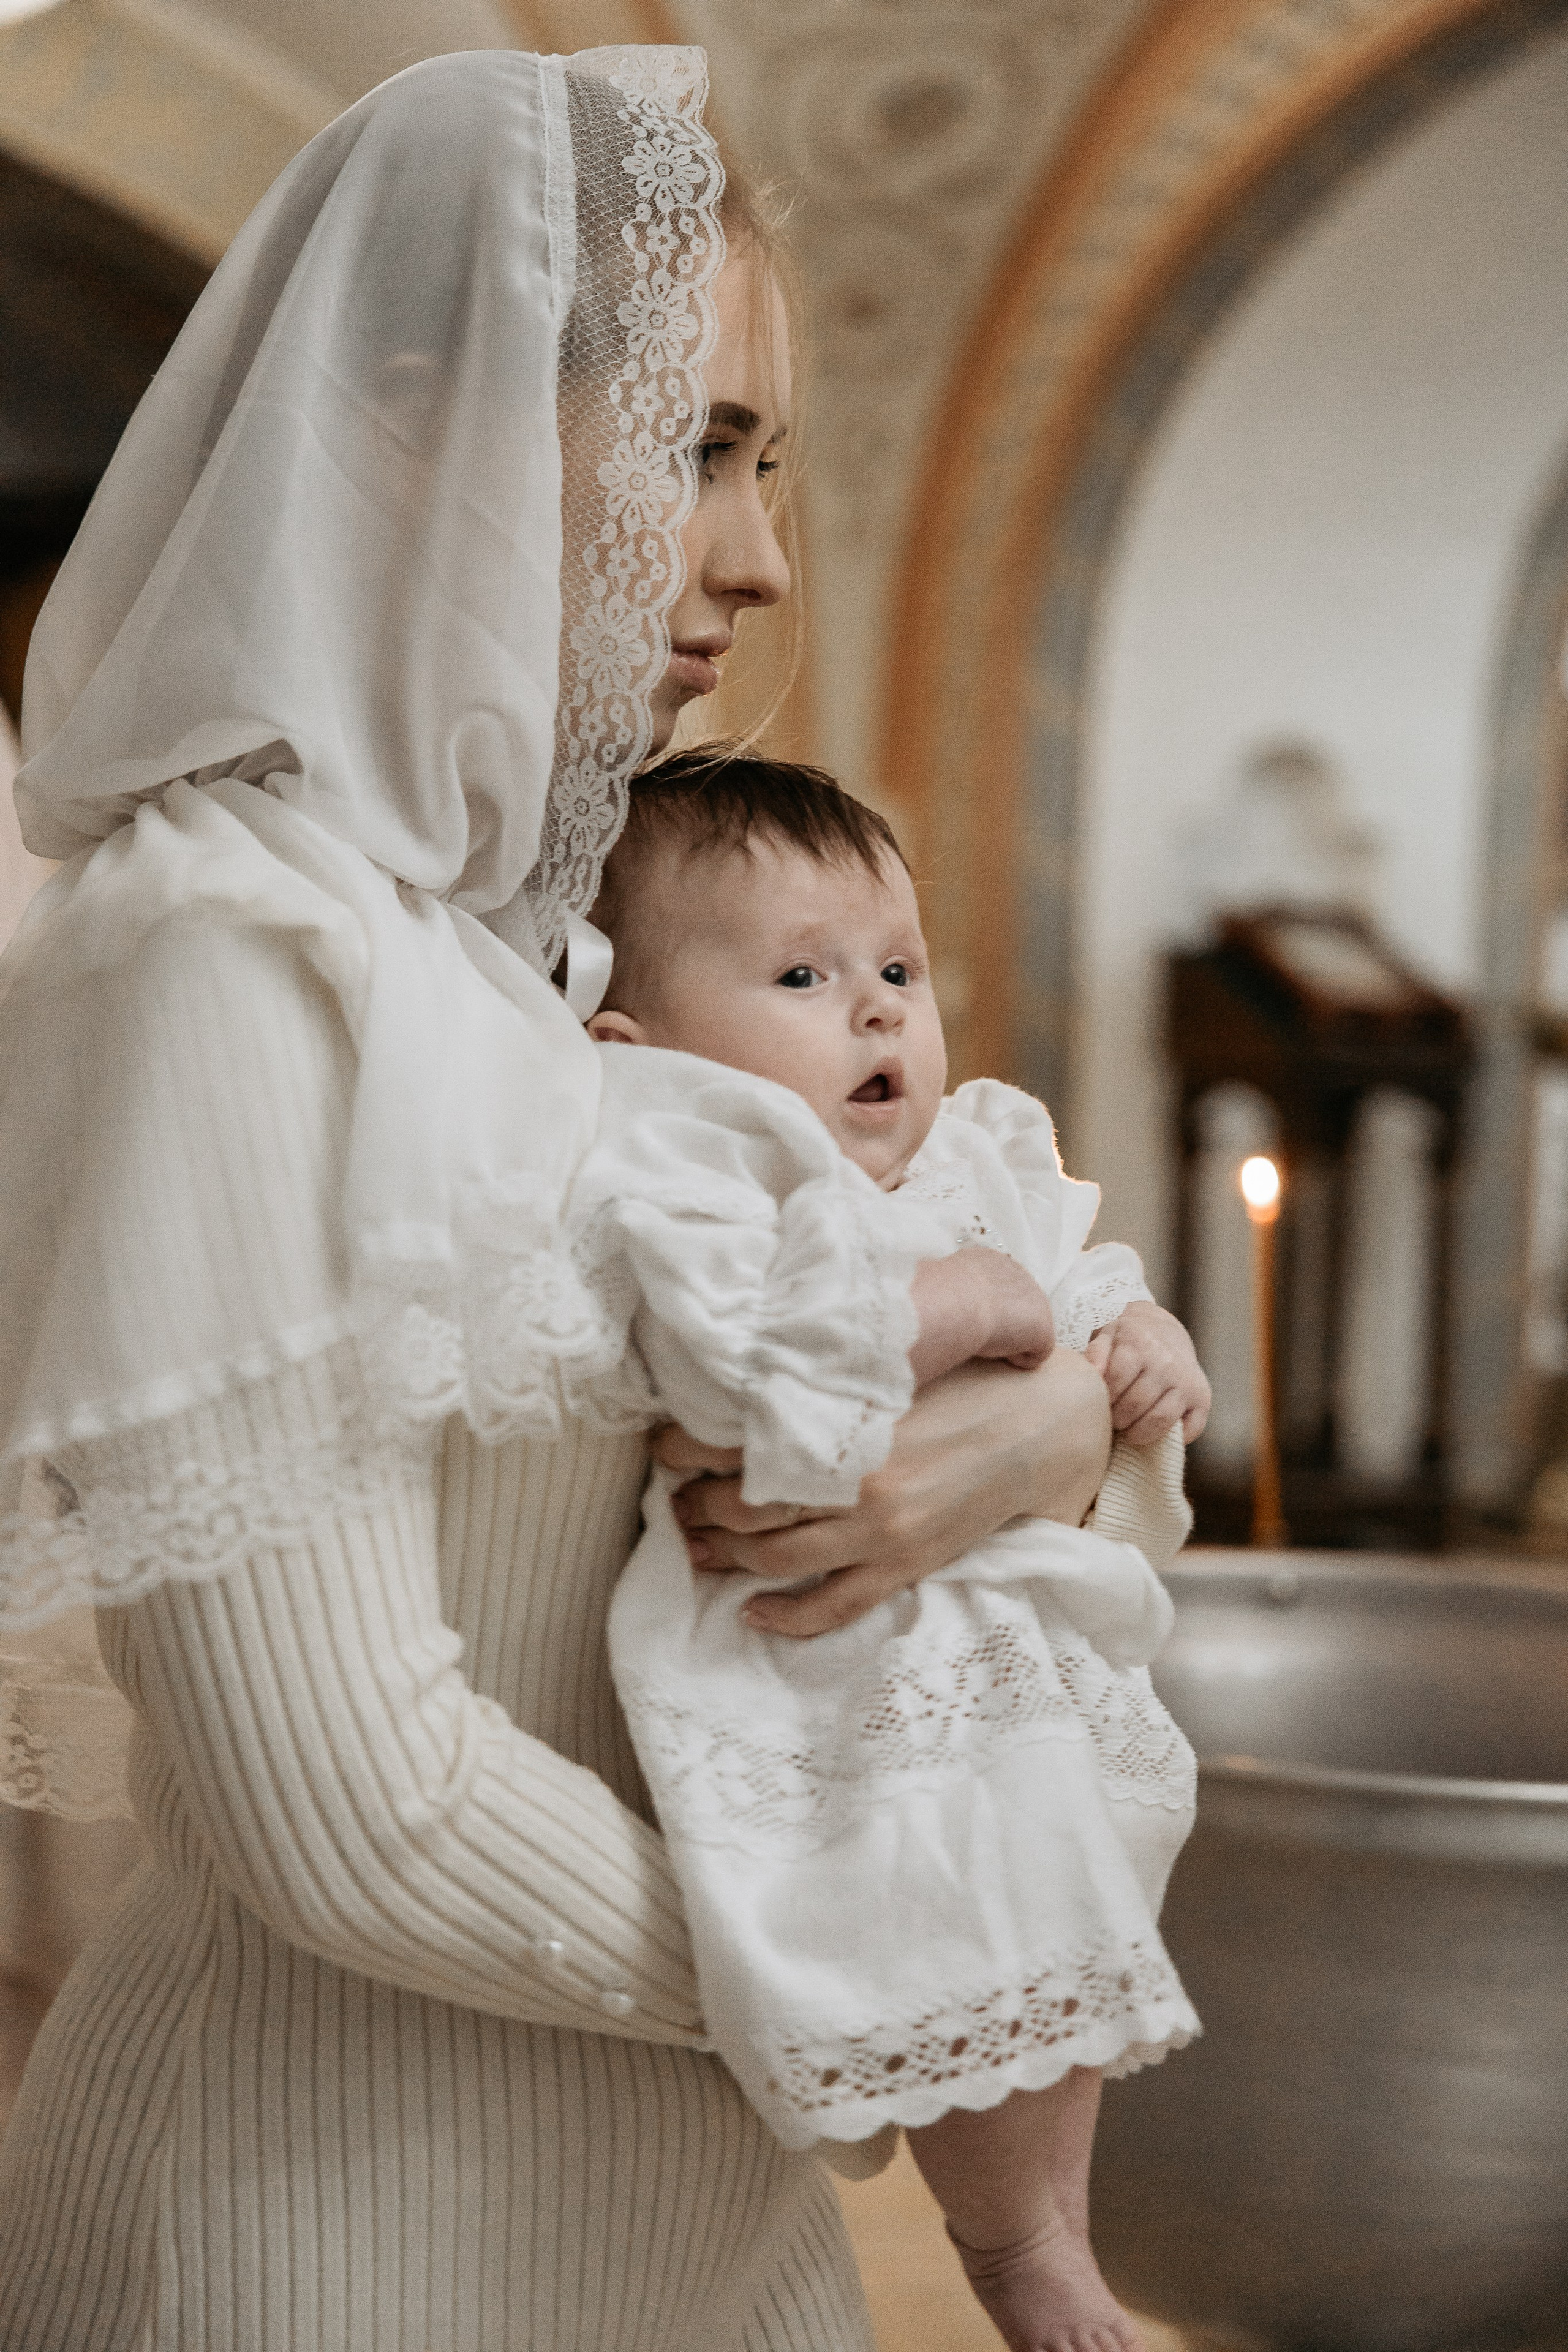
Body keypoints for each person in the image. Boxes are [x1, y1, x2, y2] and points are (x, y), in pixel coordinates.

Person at [0, 44, 1184, 2352]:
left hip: (712, 2224)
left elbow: (984, 1440)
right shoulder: (226, 956)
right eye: (696, 447)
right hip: (323, 2226)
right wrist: (935, 1967)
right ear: (406, 420)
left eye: (775, 466)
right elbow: (347, 1810)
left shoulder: (566, 963)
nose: (752, 556)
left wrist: (1056, 1446)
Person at [552, 750, 1206, 2352]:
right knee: (984, 1893)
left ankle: (1056, 2225)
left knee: (1065, 1927)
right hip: (840, 1669)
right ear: (631, 1045)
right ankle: (1007, 2250)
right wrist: (964, 1311)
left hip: (1035, 1655)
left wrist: (1141, 1347)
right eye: (802, 974)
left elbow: (1088, 1278)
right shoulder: (694, 1173)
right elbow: (745, 1370)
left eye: (897, 971)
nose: (875, 1013)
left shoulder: (981, 1151)